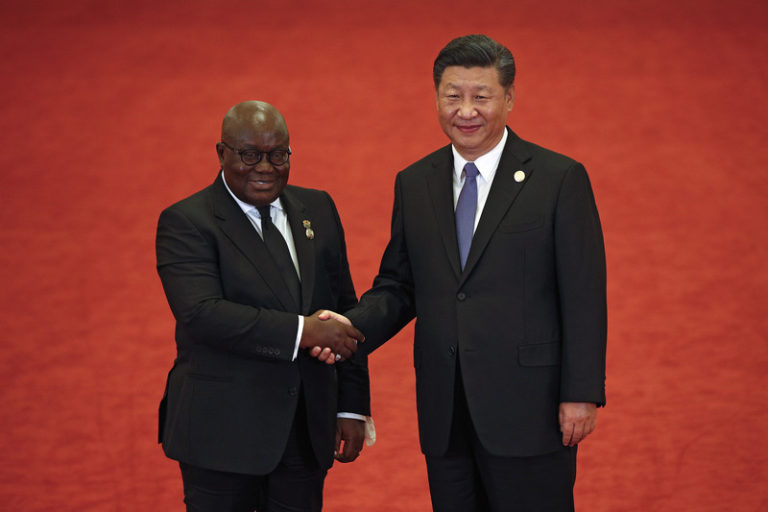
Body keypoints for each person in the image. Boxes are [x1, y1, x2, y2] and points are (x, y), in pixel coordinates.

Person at [330, 34, 607, 511]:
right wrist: (347, 328)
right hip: (446, 411)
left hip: (530, 408)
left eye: (481, 96)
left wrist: (581, 393)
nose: (466, 111)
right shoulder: (415, 182)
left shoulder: (559, 179)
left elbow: (583, 294)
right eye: (452, 96)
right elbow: (399, 285)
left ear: (509, 98)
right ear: (436, 97)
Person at [155, 100, 370, 512]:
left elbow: (343, 309)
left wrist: (352, 406)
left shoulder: (318, 208)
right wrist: (304, 331)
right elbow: (202, 314)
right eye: (250, 155)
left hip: (304, 430)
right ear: (222, 153)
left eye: (278, 155)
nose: (266, 168)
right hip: (221, 434)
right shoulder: (187, 221)